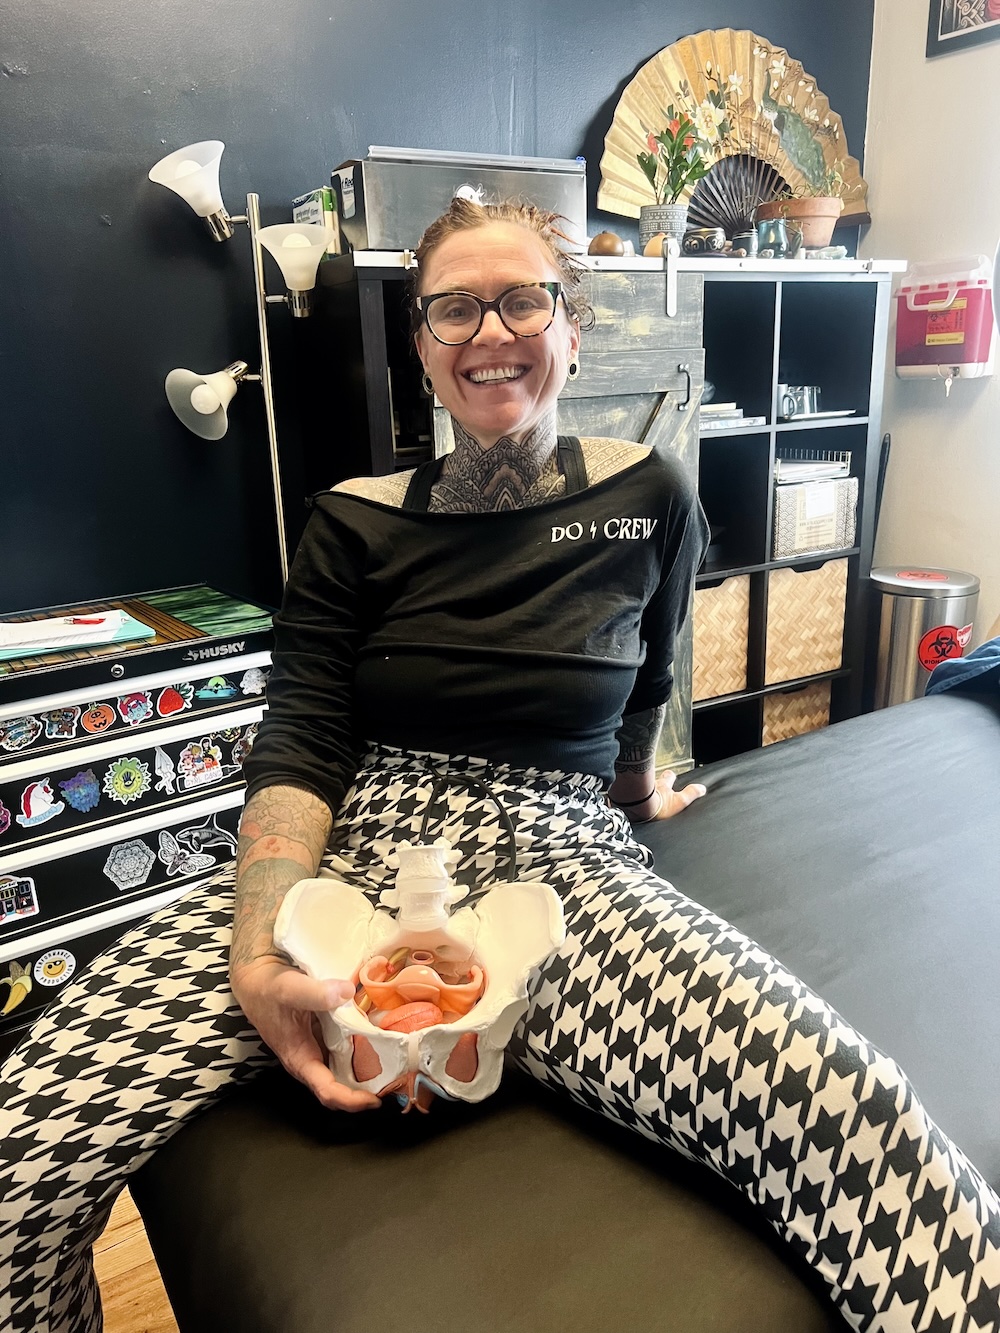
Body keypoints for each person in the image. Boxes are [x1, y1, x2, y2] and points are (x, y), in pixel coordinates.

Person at [1, 198, 998, 1333]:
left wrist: (638, 794)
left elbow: (648, 682)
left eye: (522, 299)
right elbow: (303, 737)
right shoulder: (349, 520)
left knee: (865, 1127)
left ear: (571, 325)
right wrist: (254, 943)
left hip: (562, 853)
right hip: (358, 843)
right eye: (454, 308)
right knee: (16, 1154)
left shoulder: (649, 497)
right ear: (421, 346)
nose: (490, 331)